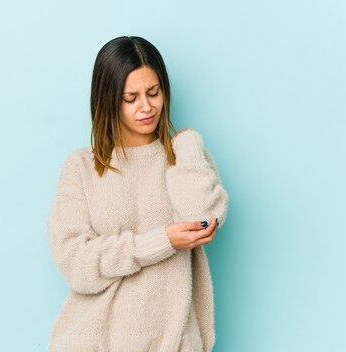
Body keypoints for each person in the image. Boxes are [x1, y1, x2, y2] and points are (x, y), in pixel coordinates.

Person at [46, 35, 229, 352]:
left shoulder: (186, 158)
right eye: (130, 98)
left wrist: (184, 144)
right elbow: (76, 263)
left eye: (154, 93)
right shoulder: (82, 168)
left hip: (173, 342)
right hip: (94, 341)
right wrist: (162, 241)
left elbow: (204, 221)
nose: (146, 107)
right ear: (108, 100)